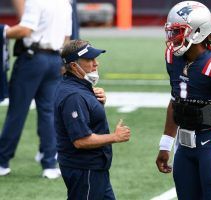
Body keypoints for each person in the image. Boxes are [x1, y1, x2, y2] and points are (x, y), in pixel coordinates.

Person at [155, 1, 211, 200]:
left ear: (198, 32)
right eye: (172, 31)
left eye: (178, 31)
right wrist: (165, 144)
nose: (172, 37)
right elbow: (175, 100)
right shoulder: (173, 57)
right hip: (184, 145)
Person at [0, 0, 72, 179]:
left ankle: (2, 162)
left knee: (17, 112)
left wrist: (3, 31)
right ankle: (49, 163)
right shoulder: (65, 4)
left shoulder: (35, 1)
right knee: (48, 113)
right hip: (54, 59)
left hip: (33, 59)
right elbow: (66, 38)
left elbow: (25, 30)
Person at [55, 39, 131, 200]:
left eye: (95, 59)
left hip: (94, 169)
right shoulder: (74, 96)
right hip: (84, 170)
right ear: (74, 66)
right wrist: (115, 137)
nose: (96, 64)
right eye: (89, 60)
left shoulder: (80, 88)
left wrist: (97, 103)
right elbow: (81, 141)